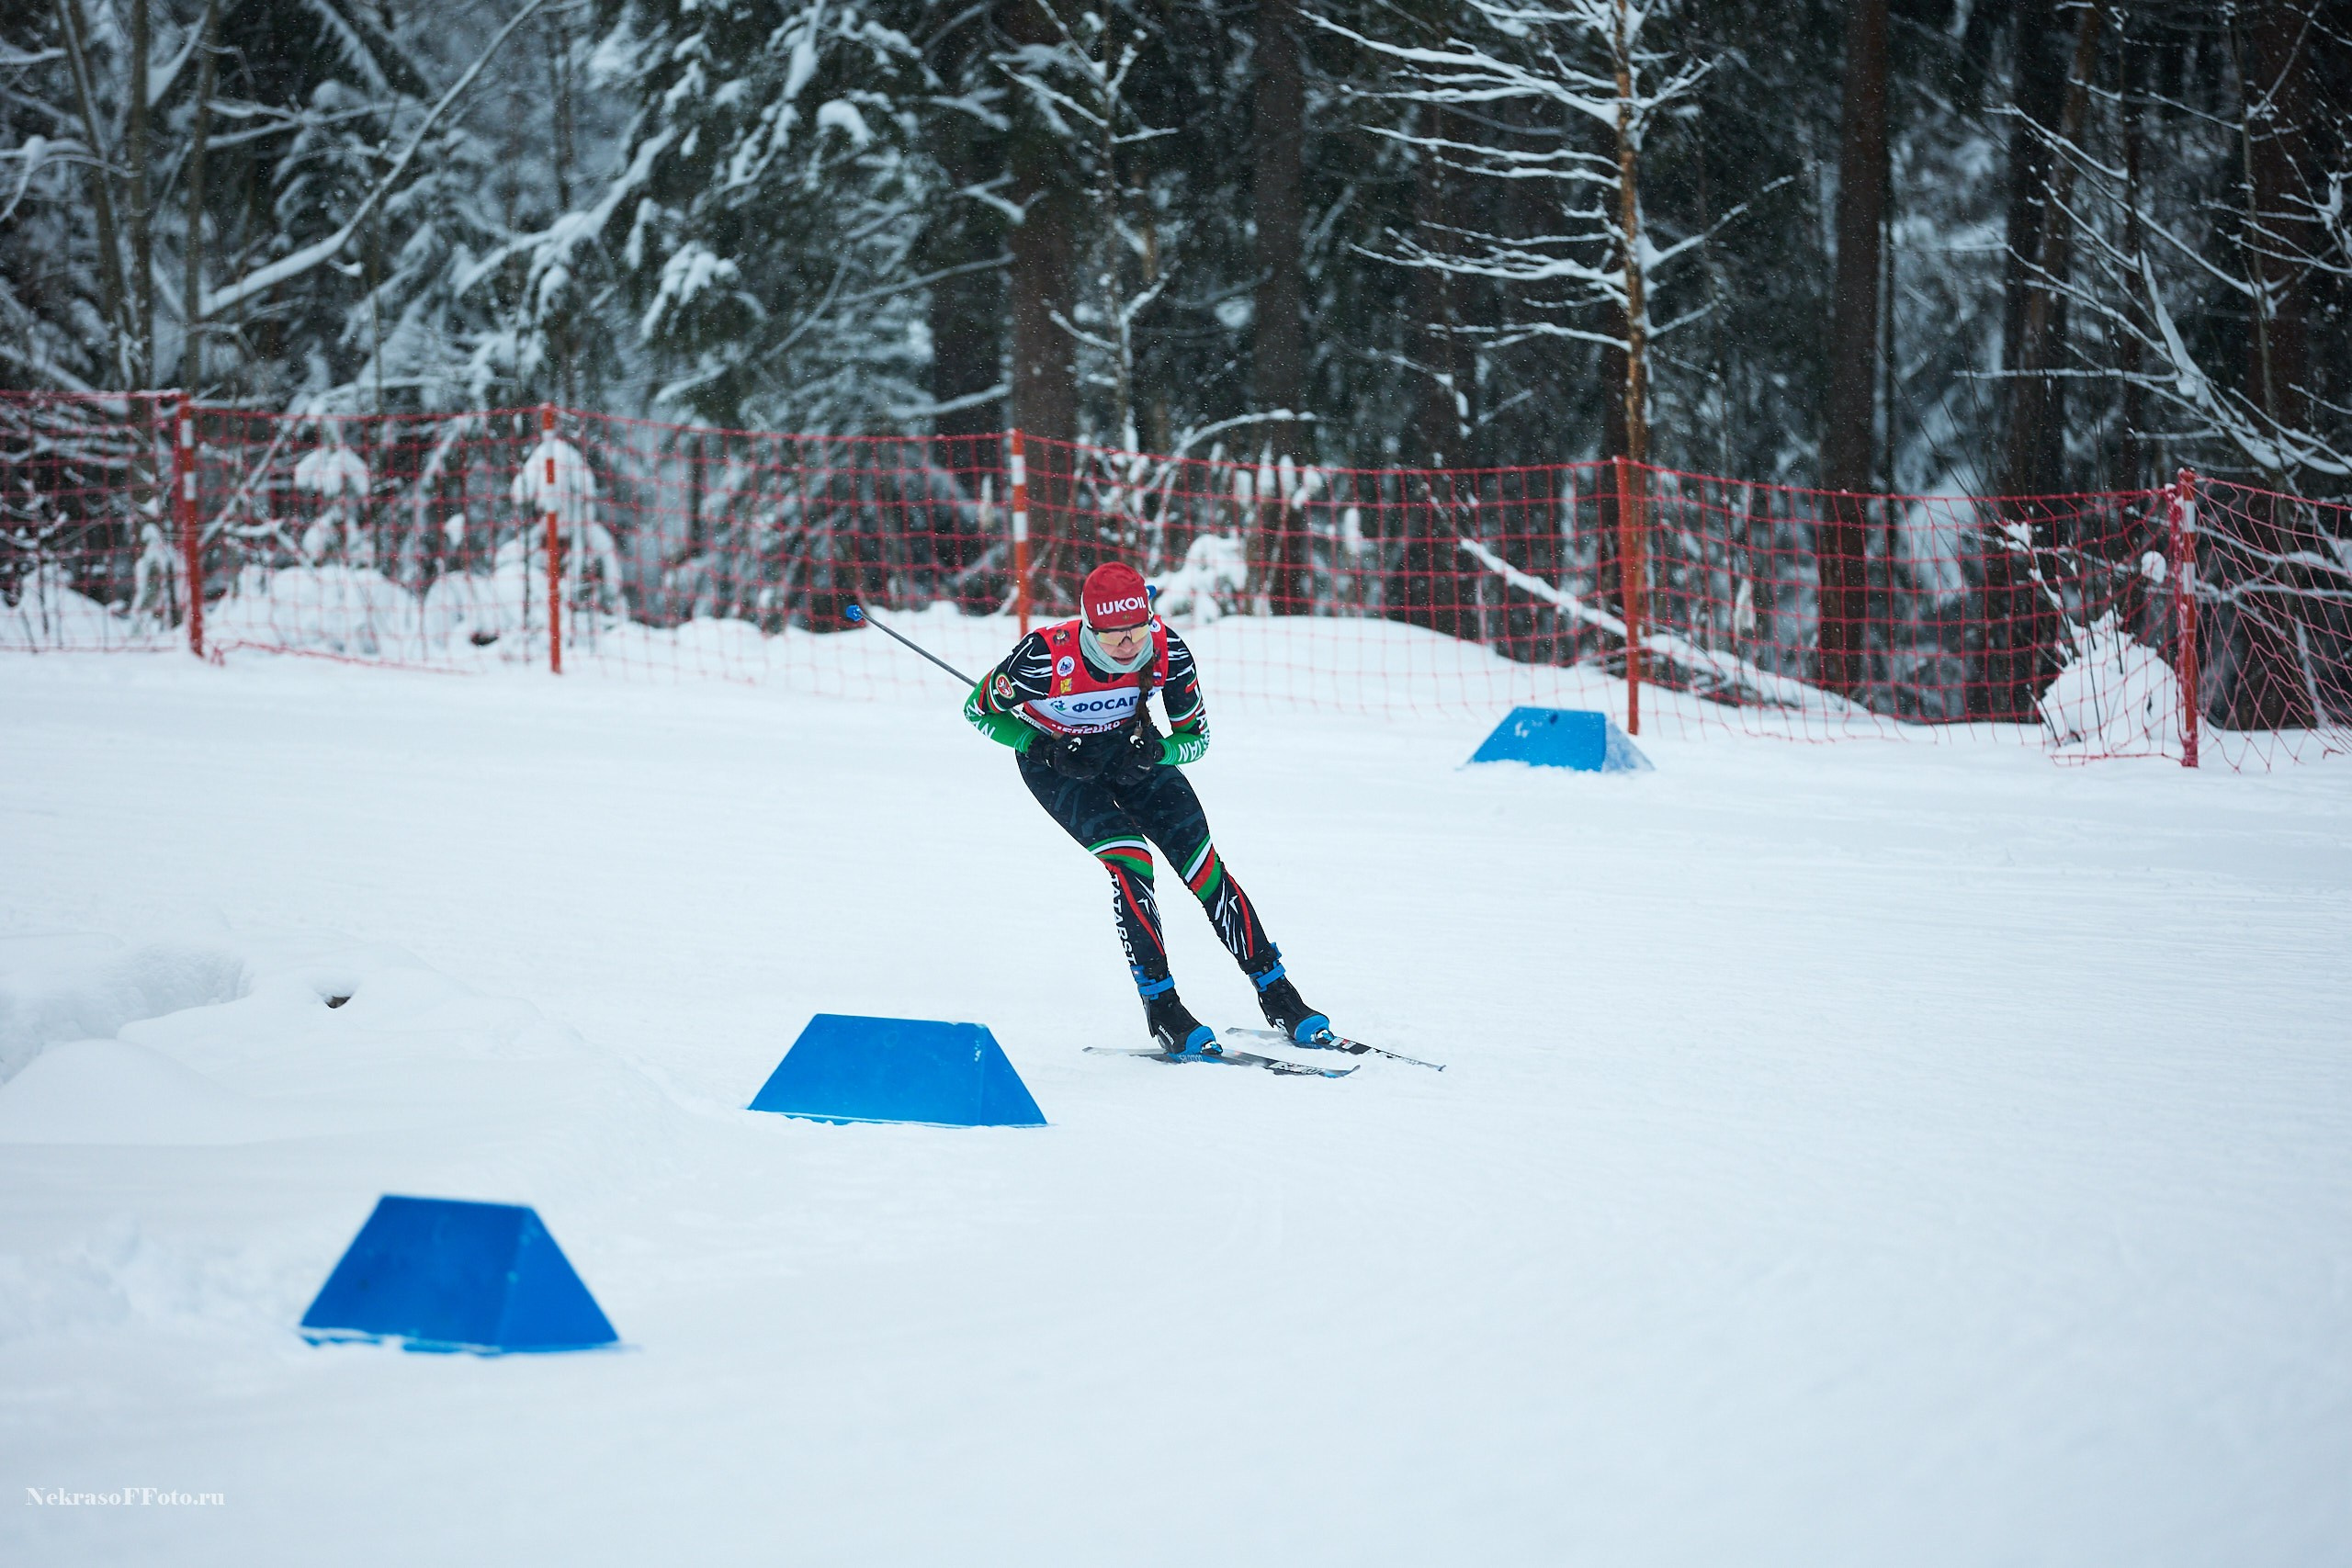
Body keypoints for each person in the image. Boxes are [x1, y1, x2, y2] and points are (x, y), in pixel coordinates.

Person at [964, 561, 1329, 1055]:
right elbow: (976, 710)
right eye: (1113, 637)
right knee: (1131, 859)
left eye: (1137, 630)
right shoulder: (1044, 658)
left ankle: (1278, 992)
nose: (1128, 646)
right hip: (1059, 766)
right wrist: (1041, 746)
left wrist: (1158, 752)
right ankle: (1163, 1007)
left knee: (1203, 865)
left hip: (1131, 754)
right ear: (1089, 625)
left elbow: (1196, 740)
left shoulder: (1167, 650)